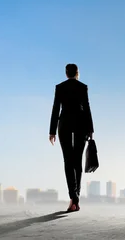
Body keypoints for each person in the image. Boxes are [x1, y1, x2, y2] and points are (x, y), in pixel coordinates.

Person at [49, 63, 94, 213]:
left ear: (66, 73)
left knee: (68, 161)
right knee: (77, 161)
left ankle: (73, 198)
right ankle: (76, 198)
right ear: (77, 73)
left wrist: (52, 131)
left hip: (64, 125)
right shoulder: (83, 87)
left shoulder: (60, 87)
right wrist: (91, 129)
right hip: (81, 125)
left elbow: (56, 108)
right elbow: (87, 107)